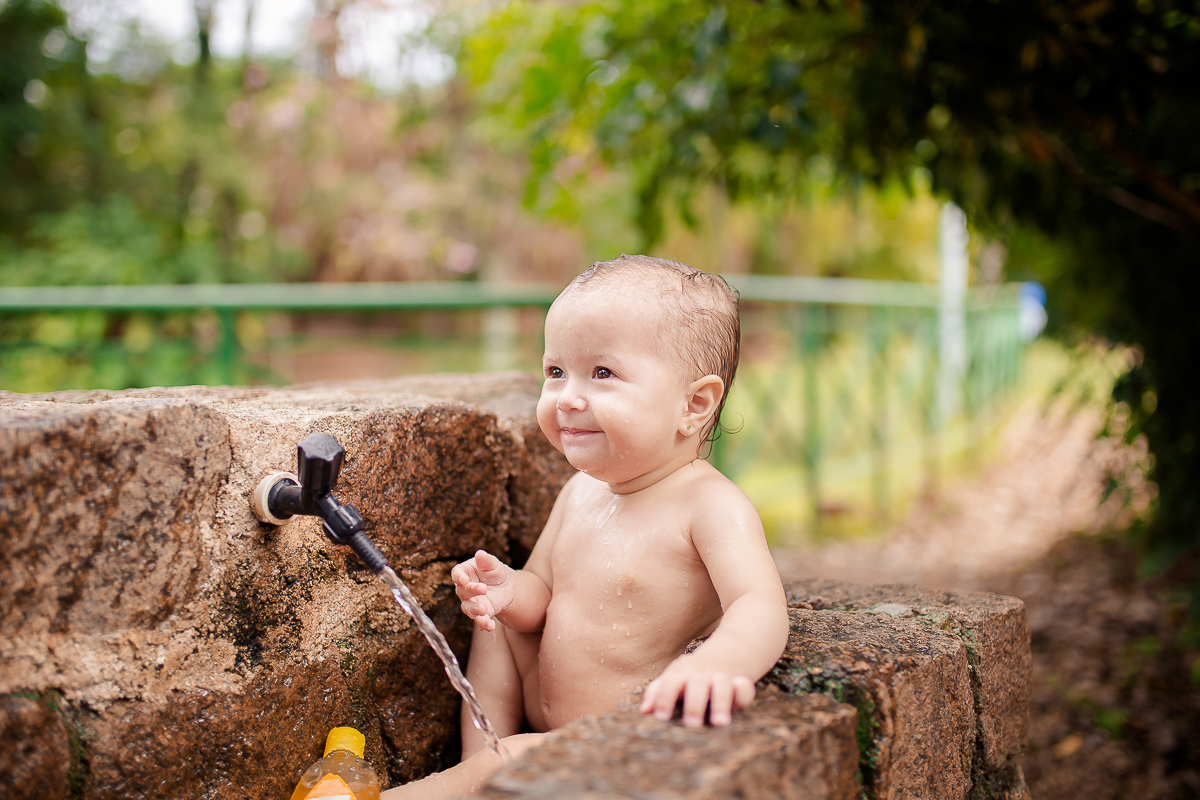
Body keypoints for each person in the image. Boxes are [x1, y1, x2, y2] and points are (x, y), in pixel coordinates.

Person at [381, 254, 789, 798]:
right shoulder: (581, 492)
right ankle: (481, 755)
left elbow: (759, 604)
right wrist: (509, 591)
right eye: (555, 372)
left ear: (694, 404)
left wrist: (720, 664)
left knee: (512, 759)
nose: (568, 397)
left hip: (610, 740)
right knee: (495, 625)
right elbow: (543, 594)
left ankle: (450, 784)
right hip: (538, 710)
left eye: (602, 373)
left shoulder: (710, 506)